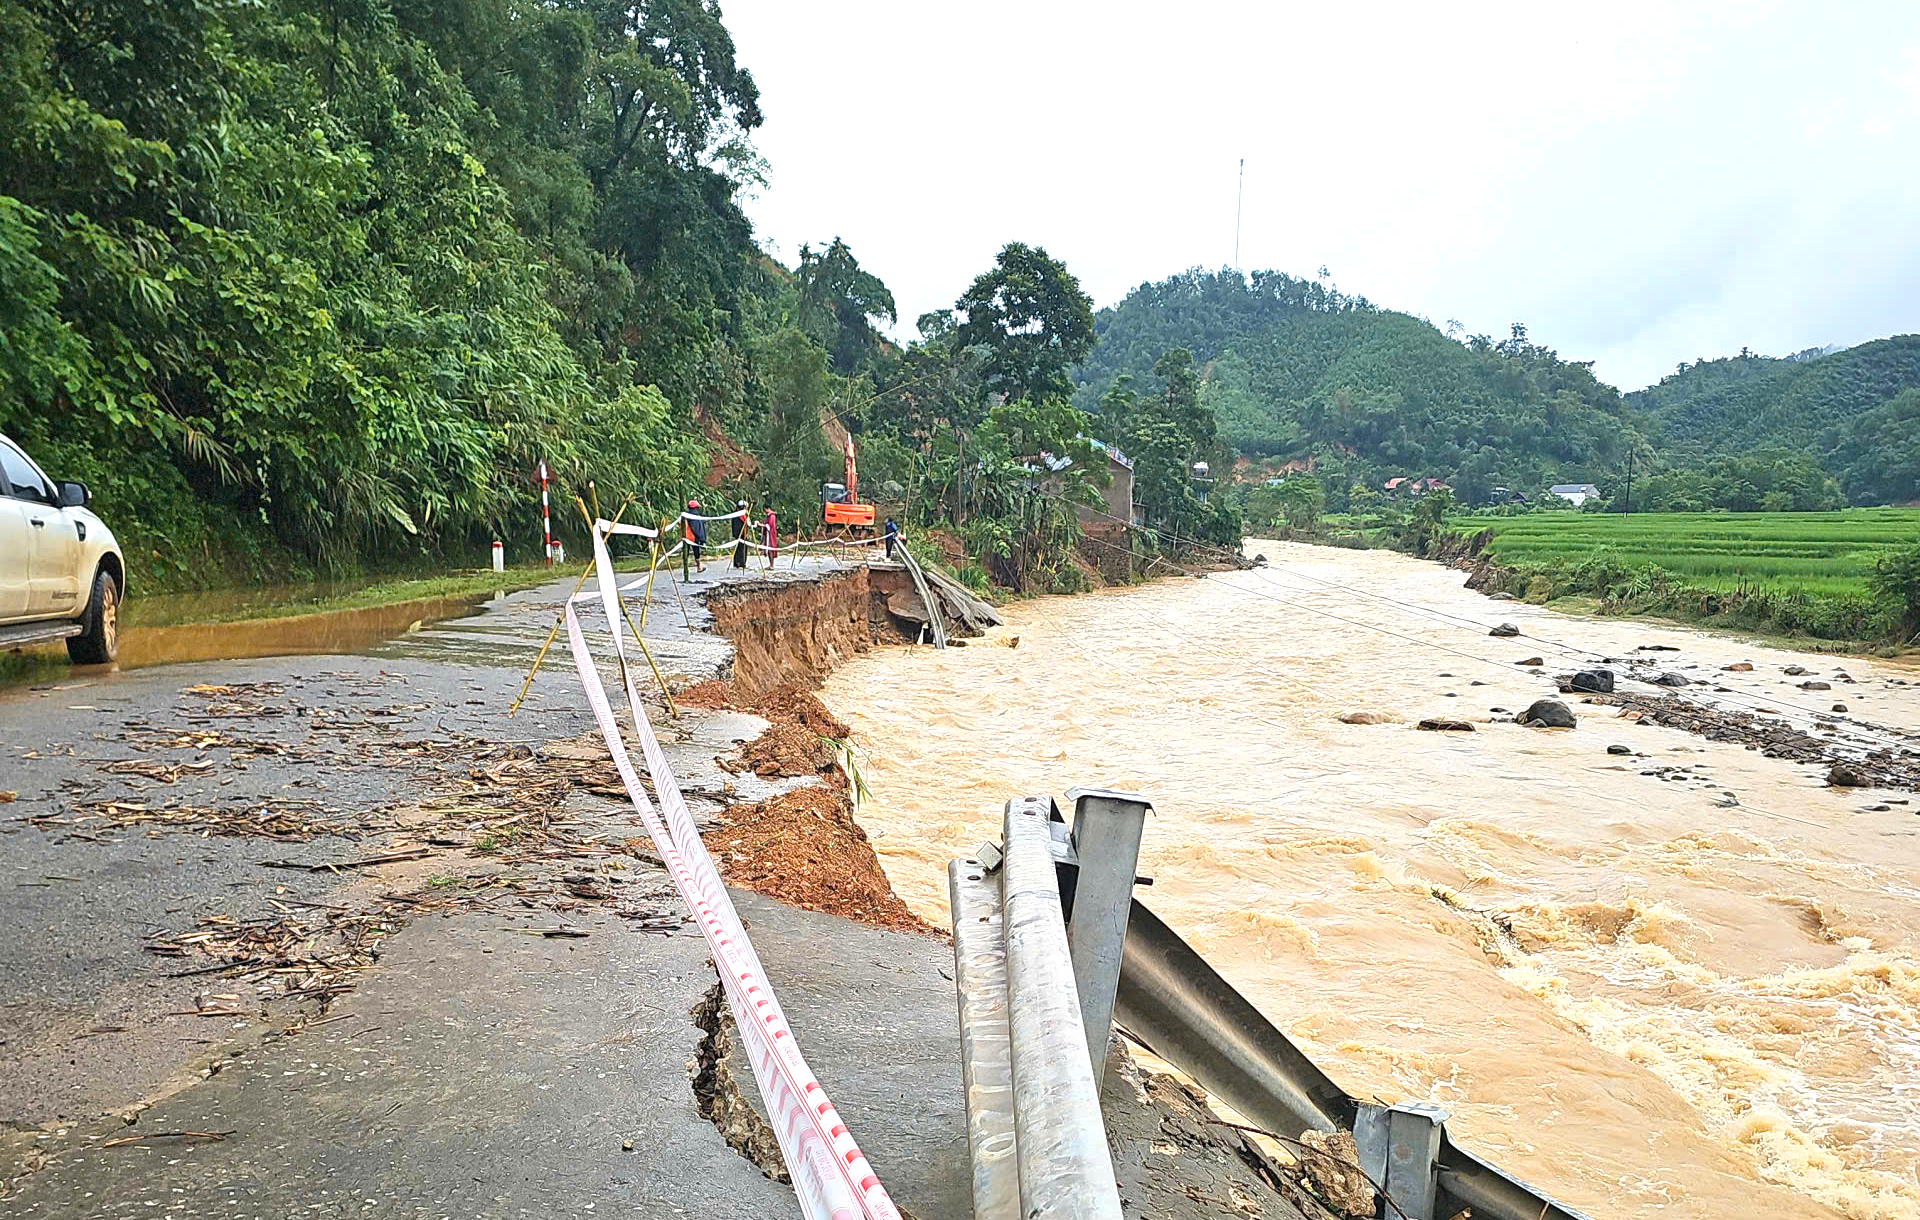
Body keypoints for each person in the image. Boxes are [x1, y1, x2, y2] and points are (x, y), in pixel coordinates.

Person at [683, 499, 707, 580]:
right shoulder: (695, 516)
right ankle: (699, 567)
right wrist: (702, 539)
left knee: (686, 552)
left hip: (686, 536)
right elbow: (698, 528)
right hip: (693, 537)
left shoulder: (686, 515)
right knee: (696, 552)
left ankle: (685, 567)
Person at [731, 500, 750, 570]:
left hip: (737, 534)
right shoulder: (741, 515)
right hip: (741, 534)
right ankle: (741, 563)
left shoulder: (735, 513)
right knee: (741, 549)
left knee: (738, 548)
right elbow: (747, 524)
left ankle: (737, 562)